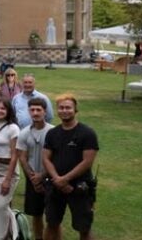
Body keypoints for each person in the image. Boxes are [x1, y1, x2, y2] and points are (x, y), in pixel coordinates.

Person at [43, 94, 99, 240]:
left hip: (80, 188)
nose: (64, 110)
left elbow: (87, 162)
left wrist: (65, 179)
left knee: (84, 228)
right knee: (51, 223)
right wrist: (58, 180)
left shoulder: (87, 133)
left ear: (75, 110)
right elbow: (46, 158)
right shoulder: (52, 133)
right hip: (55, 186)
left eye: (68, 107)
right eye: (61, 108)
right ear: (57, 110)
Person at [16, 98, 54, 240]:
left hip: (51, 179)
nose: (35, 113)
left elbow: (56, 158)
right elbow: (22, 158)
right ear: (28, 111)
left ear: (45, 111)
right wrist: (33, 179)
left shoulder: (53, 131)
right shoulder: (24, 133)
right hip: (32, 180)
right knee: (36, 215)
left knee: (53, 217)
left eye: (39, 110)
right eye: (32, 110)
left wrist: (43, 176)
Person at [0, 99, 20, 240]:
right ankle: (11, 233)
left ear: (8, 111)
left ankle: (0, 237)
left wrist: (7, 179)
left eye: (3, 109)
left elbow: (15, 156)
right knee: (0, 206)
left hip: (8, 171)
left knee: (2, 205)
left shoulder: (13, 128)